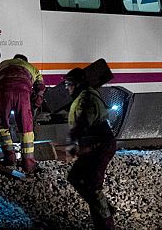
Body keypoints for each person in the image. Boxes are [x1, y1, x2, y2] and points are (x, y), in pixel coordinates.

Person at [64, 67, 117, 230]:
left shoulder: (85, 98)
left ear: (77, 84)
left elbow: (83, 124)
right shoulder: (86, 95)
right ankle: (104, 208)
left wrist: (74, 146)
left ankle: (106, 222)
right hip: (95, 145)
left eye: (69, 84)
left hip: (100, 146)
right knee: (75, 177)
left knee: (93, 185)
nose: (66, 87)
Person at [0, 54, 45, 173]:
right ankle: (28, 164)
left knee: (2, 126)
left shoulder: (1, 65)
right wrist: (37, 101)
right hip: (23, 92)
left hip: (3, 92)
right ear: (24, 60)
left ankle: (9, 158)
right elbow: (40, 86)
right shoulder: (31, 67)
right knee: (26, 129)